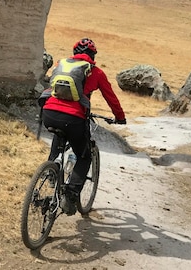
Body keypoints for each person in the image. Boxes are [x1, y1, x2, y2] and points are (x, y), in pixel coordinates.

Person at [40, 37, 126, 215]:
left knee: (59, 135)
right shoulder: (96, 72)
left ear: (74, 53)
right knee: (84, 156)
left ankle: (50, 173)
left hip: (49, 113)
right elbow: (111, 98)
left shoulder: (61, 64)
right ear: (92, 56)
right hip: (74, 118)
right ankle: (70, 196)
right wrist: (120, 117)